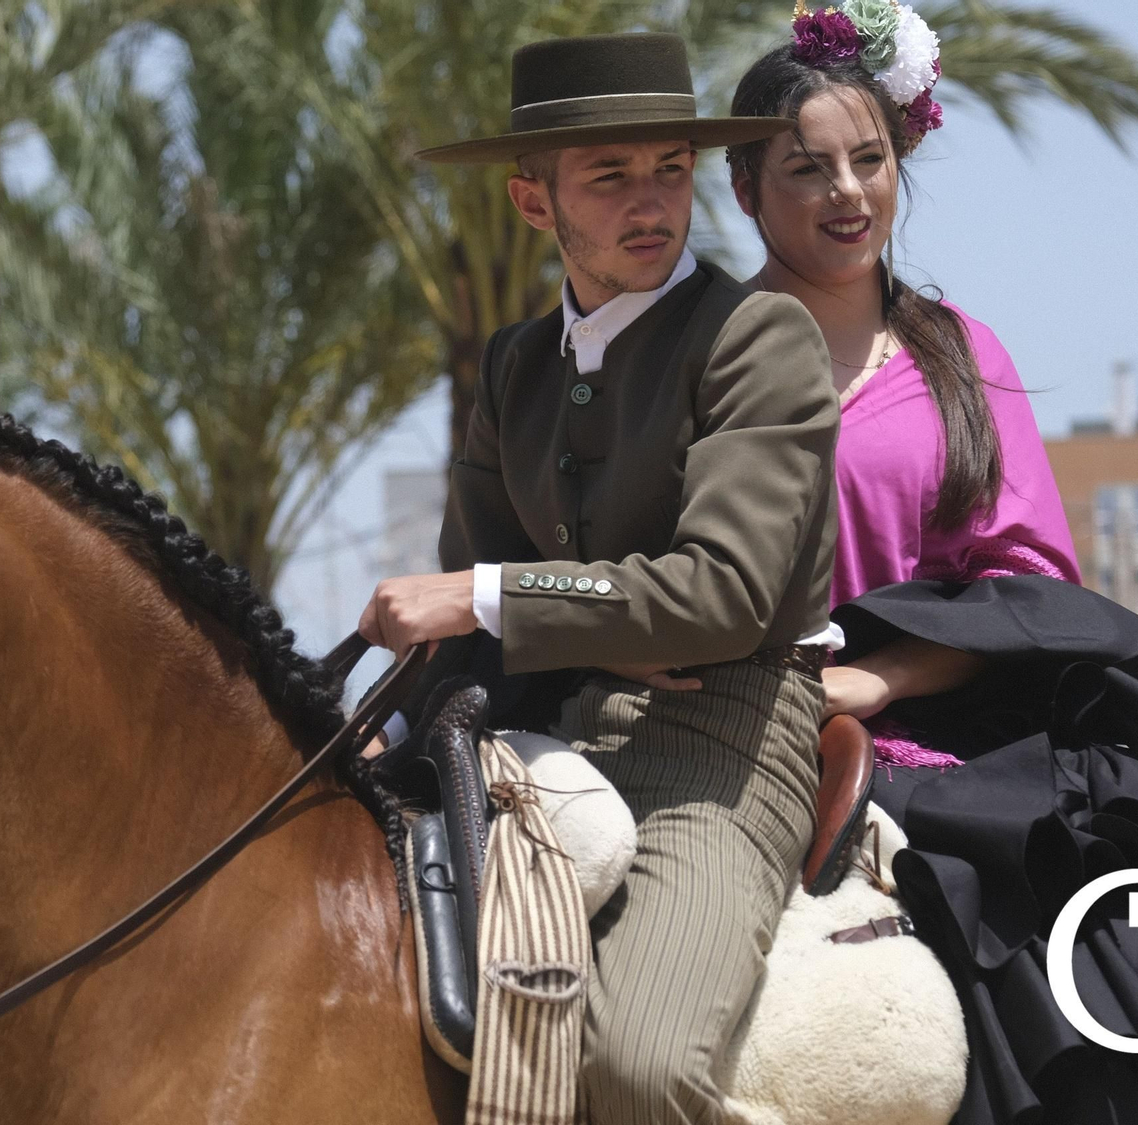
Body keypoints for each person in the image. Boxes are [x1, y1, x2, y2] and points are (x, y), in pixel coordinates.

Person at [725, 6, 1138, 1121]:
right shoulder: (698, 362)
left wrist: (879, 677)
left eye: (867, 160)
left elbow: (1026, 583)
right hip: (751, 746)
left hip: (961, 735)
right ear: (744, 190)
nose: (845, 192)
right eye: (805, 168)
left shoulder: (958, 354)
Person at [358, 32, 842, 1124]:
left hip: (721, 744)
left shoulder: (758, 338)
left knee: (633, 1067)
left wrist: (490, 597)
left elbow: (718, 597)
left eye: (668, 168)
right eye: (610, 175)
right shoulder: (515, 365)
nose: (650, 202)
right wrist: (375, 729)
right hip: (526, 732)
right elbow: (481, 608)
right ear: (535, 203)